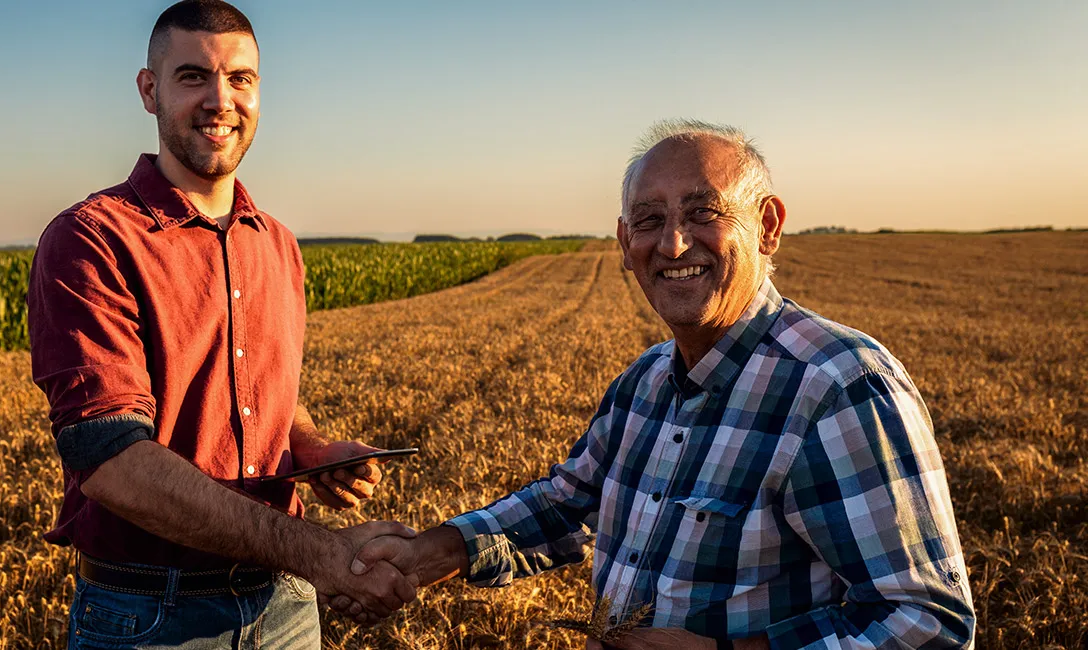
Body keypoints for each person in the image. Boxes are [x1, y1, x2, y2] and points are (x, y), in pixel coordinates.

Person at [344, 120, 976, 649]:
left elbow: (928, 623)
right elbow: (565, 505)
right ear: (625, 243)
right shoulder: (643, 382)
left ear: (768, 226)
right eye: (648, 220)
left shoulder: (838, 388)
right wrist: (433, 552)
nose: (673, 244)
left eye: (703, 212)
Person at [27, 2, 416, 647]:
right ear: (149, 91)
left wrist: (310, 449)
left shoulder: (277, 244)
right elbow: (110, 459)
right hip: (153, 614)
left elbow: (261, 389)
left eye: (240, 79)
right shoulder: (91, 240)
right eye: (192, 77)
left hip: (286, 607)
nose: (220, 100)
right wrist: (321, 553)